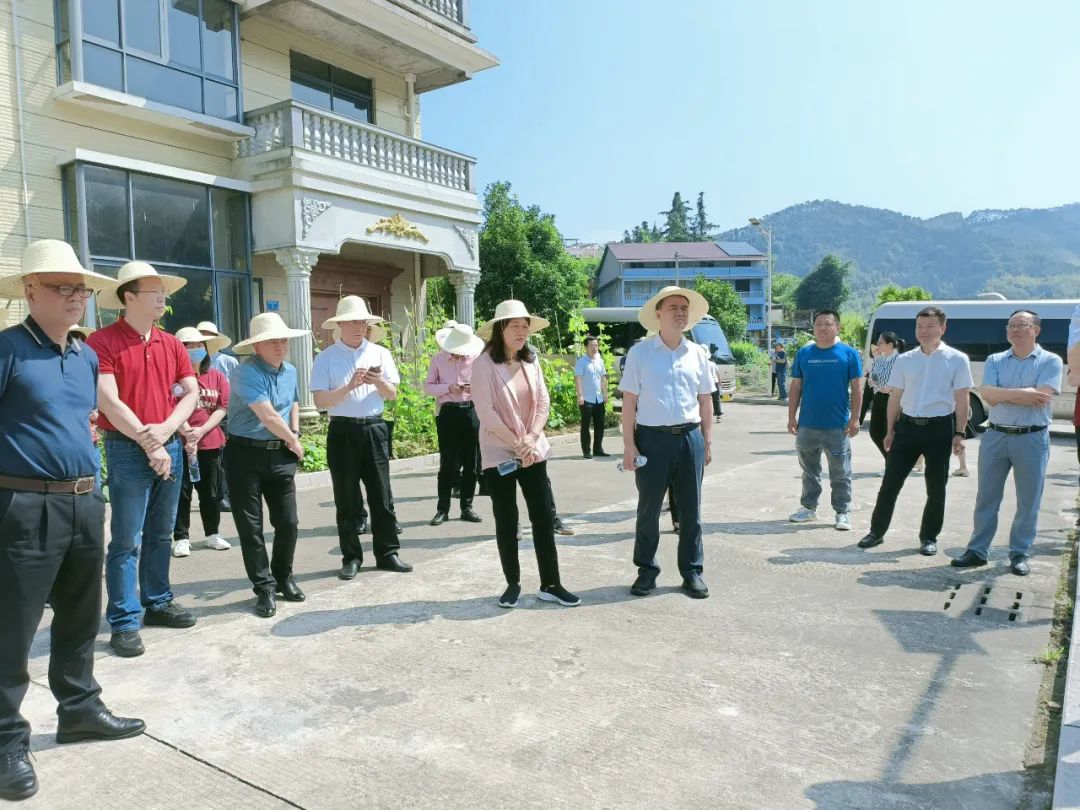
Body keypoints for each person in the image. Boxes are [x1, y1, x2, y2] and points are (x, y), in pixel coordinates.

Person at [0, 241, 145, 801]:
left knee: (82, 616)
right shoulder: (8, 349)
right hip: (23, 504)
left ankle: (79, 708)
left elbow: (81, 419)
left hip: (84, 501)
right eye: (62, 287)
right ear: (30, 289)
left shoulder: (84, 356)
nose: (76, 297)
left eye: (81, 288)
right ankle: (4, 738)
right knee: (12, 627)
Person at [88, 262, 199, 659]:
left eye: (163, 291)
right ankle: (123, 620)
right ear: (129, 297)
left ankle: (158, 600)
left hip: (168, 446)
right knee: (126, 539)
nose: (162, 297)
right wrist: (149, 442)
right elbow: (108, 400)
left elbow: (191, 392)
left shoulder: (171, 343)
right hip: (126, 447)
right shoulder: (102, 341)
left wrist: (165, 431)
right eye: (154, 291)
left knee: (160, 533)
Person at [472, 300, 580, 608]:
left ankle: (551, 583)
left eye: (525, 326)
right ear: (500, 329)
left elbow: (543, 403)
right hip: (499, 452)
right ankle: (513, 583)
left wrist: (531, 438)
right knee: (507, 519)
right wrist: (517, 442)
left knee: (543, 516)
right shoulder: (483, 365)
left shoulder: (531, 361)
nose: (522, 332)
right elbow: (486, 412)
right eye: (515, 326)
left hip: (532, 450)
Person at [620, 286, 715, 599]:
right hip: (652, 440)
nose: (680, 313)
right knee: (648, 511)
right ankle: (646, 571)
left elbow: (705, 400)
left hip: (690, 438)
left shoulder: (698, 353)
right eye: (673, 307)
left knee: (691, 511)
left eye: (684, 308)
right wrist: (629, 445)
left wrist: (707, 440)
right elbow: (629, 402)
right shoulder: (641, 353)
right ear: (658, 313)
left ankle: (692, 572)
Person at [951, 310, 1063, 576]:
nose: (1014, 329)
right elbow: (988, 395)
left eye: (1021, 324)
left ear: (1036, 329)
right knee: (986, 497)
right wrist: (1025, 393)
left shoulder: (1051, 361)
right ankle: (977, 550)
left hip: (1032, 438)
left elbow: (1042, 397)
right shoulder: (995, 359)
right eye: (1010, 325)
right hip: (996, 436)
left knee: (1028, 500)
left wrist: (1004, 394)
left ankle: (1020, 552)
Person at [310, 297, 412, 581]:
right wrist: (348, 386)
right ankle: (351, 556)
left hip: (374, 427)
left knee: (382, 495)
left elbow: (392, 394)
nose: (359, 327)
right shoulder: (326, 357)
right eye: (353, 322)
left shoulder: (380, 353)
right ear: (340, 325)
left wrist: (378, 381)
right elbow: (320, 401)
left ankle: (388, 552)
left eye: (363, 322)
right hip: (342, 430)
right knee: (346, 498)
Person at [858, 306, 974, 555]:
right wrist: (890, 430)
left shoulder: (957, 359)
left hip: (939, 429)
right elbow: (895, 397)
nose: (924, 331)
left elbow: (962, 399)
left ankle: (929, 537)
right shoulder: (905, 360)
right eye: (919, 326)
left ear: (942, 328)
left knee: (936, 487)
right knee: (890, 483)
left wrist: (960, 433)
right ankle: (876, 532)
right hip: (907, 428)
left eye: (930, 326)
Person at [226, 313, 308, 618]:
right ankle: (263, 588)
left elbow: (293, 403)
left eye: (283, 340)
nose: (280, 345)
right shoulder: (245, 372)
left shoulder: (291, 370)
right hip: (244, 454)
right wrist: (293, 440)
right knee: (251, 527)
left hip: (281, 452)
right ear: (256, 345)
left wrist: (294, 432)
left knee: (288, 521)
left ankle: (283, 576)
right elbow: (268, 415)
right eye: (272, 341)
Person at [787, 311, 863, 531]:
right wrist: (791, 416)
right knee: (809, 471)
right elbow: (796, 386)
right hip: (807, 424)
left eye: (827, 324)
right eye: (818, 324)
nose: (822, 328)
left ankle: (842, 512)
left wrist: (855, 418)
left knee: (840, 472)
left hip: (837, 425)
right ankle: (808, 508)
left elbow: (857, 388)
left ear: (837, 327)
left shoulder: (848, 353)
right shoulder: (804, 353)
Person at [171, 327, 231, 555]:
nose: (195, 350)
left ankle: (212, 533)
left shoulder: (216, 376)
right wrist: (187, 433)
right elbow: (169, 406)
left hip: (210, 443)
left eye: (199, 345)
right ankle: (181, 537)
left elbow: (221, 408)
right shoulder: (173, 378)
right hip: (179, 443)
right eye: (189, 346)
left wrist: (201, 431)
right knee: (182, 491)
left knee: (211, 491)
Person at [425, 322, 485, 525]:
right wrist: (448, 387)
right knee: (448, 464)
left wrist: (472, 387)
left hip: (471, 410)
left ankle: (467, 507)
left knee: (471, 463)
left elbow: (486, 385)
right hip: (448, 412)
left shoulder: (476, 359)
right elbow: (428, 387)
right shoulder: (438, 359)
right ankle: (442, 509)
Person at [197, 321, 237, 511]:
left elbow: (235, 389)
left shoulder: (228, 362)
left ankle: (223, 495)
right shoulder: (186, 364)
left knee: (221, 458)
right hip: (198, 416)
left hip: (222, 415)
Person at [867, 331, 906, 459]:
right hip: (879, 397)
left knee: (890, 433)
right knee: (875, 432)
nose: (877, 345)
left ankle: (892, 461)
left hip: (894, 399)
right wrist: (874, 382)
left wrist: (890, 389)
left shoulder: (900, 360)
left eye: (881, 342)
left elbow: (904, 382)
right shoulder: (879, 358)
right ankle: (889, 460)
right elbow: (872, 376)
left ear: (890, 344)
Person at [574, 335, 609, 458]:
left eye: (596, 345)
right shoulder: (581, 362)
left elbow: (603, 378)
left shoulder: (600, 361)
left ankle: (598, 449)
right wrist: (580, 396)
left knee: (600, 425)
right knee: (585, 426)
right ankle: (586, 451)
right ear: (586, 347)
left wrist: (605, 393)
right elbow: (578, 379)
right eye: (592, 345)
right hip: (586, 399)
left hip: (599, 399)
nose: (595, 348)